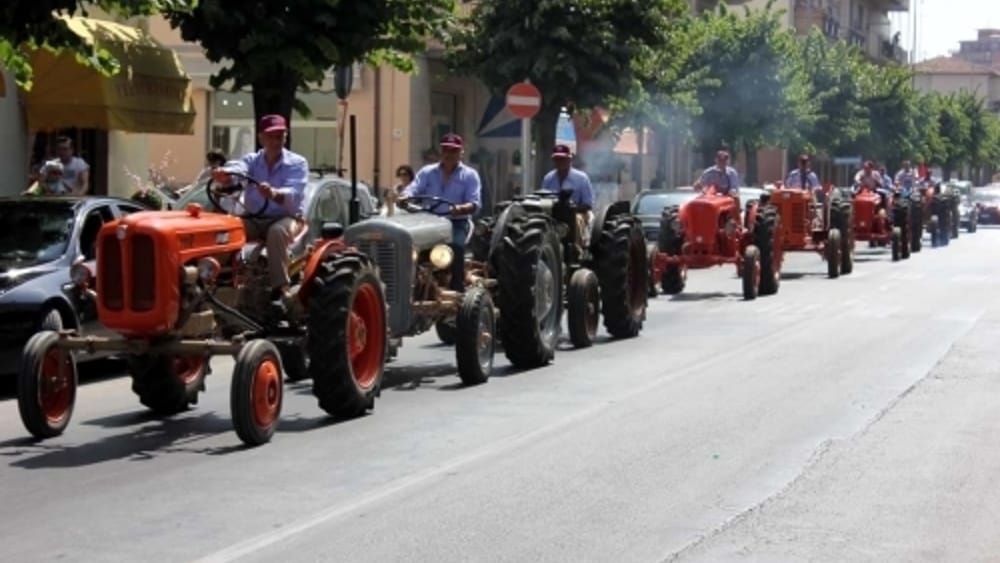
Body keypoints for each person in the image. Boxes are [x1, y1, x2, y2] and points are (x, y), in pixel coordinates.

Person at [212, 114, 309, 313]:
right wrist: (225, 173)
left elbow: (294, 193)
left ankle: (281, 290)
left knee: (276, 232)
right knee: (225, 231)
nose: (276, 141)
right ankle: (216, 282)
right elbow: (238, 168)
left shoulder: (297, 163)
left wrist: (275, 193)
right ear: (261, 139)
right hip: (255, 219)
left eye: (280, 136)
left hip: (287, 217)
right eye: (271, 136)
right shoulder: (252, 161)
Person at [399, 133, 481, 291]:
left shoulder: (470, 176)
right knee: (408, 245)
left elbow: (475, 202)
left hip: (455, 222)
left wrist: (460, 208)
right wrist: (404, 197)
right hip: (427, 222)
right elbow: (413, 188)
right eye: (446, 150)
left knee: (456, 246)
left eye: (453, 151)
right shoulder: (427, 172)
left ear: (461, 153)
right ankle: (407, 286)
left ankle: (458, 287)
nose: (449, 154)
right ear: (440, 152)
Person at [541, 144, 594, 242]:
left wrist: (570, 210)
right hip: (553, 215)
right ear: (554, 161)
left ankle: (577, 249)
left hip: (576, 214)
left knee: (577, 221)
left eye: (563, 159)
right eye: (557, 159)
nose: (560, 162)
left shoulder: (582, 178)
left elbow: (588, 204)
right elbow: (543, 199)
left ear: (570, 159)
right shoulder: (548, 179)